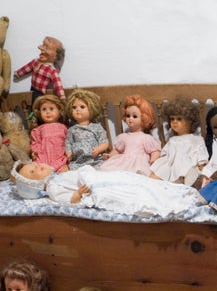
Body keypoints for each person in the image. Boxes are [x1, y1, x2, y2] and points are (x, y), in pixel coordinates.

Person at [12, 161, 203, 218]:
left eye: (34, 164)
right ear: (34, 184)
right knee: (131, 192)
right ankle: (177, 195)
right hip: (95, 188)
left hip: (100, 178)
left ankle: (178, 188)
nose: (38, 166)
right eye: (33, 171)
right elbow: (68, 200)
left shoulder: (58, 177)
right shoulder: (53, 187)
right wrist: (78, 194)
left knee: (131, 179)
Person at [150, 97, 208, 184]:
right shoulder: (172, 139)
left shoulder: (196, 139)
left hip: (187, 164)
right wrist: (161, 158)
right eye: (172, 119)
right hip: (172, 164)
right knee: (162, 170)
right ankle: (149, 179)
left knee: (191, 171)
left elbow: (201, 151)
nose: (174, 122)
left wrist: (201, 163)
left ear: (190, 120)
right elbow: (165, 152)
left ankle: (187, 180)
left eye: (179, 119)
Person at [98, 94, 161, 175]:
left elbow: (155, 150)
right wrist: (110, 155)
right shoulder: (124, 137)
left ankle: (137, 176)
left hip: (138, 162)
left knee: (139, 170)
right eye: (128, 115)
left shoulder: (146, 138)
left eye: (134, 116)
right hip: (125, 160)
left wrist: (154, 160)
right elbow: (118, 150)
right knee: (107, 168)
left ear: (144, 118)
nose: (130, 118)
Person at [12, 36, 66, 104]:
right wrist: (18, 73)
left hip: (40, 93)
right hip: (32, 88)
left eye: (46, 48)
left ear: (55, 56)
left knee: (37, 104)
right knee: (31, 101)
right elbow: (27, 68)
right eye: (43, 45)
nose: (42, 49)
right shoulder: (35, 62)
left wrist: (62, 96)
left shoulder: (52, 70)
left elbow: (57, 84)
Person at [64, 88, 109, 169]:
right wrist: (69, 152)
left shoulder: (97, 127)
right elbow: (68, 142)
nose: (77, 110)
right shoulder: (72, 130)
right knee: (74, 170)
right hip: (78, 161)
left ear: (91, 109)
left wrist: (99, 149)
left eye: (82, 107)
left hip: (94, 159)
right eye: (74, 107)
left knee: (102, 167)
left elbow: (104, 142)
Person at [30, 94, 69, 173]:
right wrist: (34, 152)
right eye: (44, 109)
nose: (47, 112)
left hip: (60, 156)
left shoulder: (64, 128)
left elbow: (68, 141)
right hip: (44, 156)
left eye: (51, 109)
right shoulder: (39, 129)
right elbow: (36, 142)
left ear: (59, 112)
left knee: (63, 170)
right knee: (37, 170)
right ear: (39, 113)